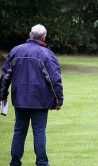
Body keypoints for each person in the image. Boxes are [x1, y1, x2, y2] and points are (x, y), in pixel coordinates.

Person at [0, 24, 63, 166]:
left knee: (19, 132)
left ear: (30, 35)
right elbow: (54, 79)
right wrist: (58, 100)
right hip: (40, 101)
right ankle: (42, 162)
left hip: (20, 99)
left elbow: (5, 77)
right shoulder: (47, 54)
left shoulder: (16, 51)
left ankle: (15, 162)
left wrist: (3, 95)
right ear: (44, 38)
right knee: (39, 132)